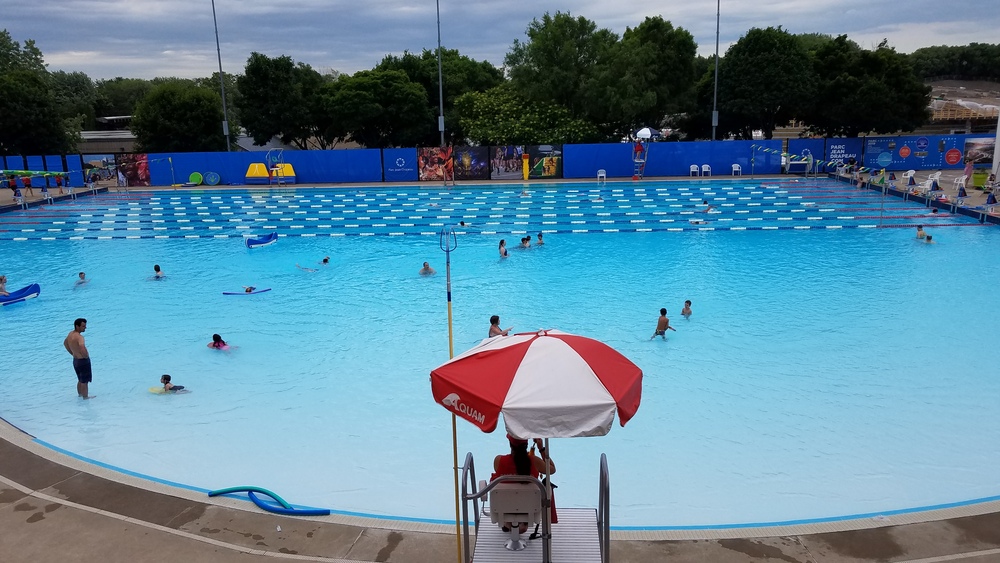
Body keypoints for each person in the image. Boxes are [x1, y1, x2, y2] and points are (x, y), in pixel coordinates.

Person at [491, 434, 558, 532]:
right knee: (546, 486)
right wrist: (541, 449)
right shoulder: (534, 461)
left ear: (510, 444)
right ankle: (523, 522)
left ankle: (508, 522)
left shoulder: (499, 460)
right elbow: (552, 469)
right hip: (529, 510)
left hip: (504, 508)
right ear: (526, 445)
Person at [64, 318, 94, 399]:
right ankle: (85, 397)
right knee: (85, 381)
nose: (85, 327)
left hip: (75, 360)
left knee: (80, 379)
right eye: (83, 326)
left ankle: (80, 395)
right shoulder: (80, 337)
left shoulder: (70, 334)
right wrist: (86, 356)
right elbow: (82, 348)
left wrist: (72, 353)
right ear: (77, 326)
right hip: (82, 361)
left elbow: (65, 343)